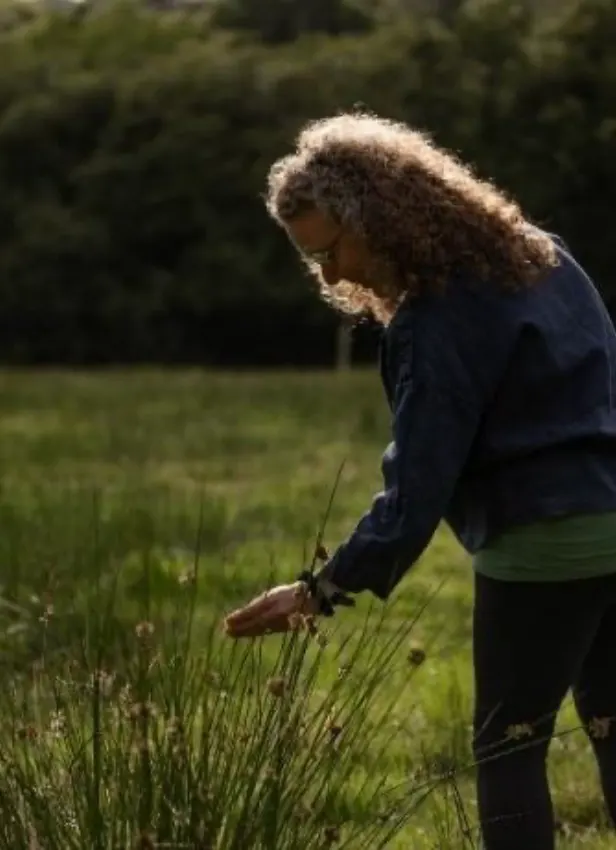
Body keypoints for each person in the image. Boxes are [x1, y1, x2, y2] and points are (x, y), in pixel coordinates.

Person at [223, 111, 616, 849]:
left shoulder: (434, 323)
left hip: (544, 546)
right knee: (612, 723)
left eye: (330, 252)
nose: (330, 276)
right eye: (314, 264)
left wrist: (317, 592)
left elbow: (417, 491)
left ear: (379, 218)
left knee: (509, 746)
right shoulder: (547, 259)